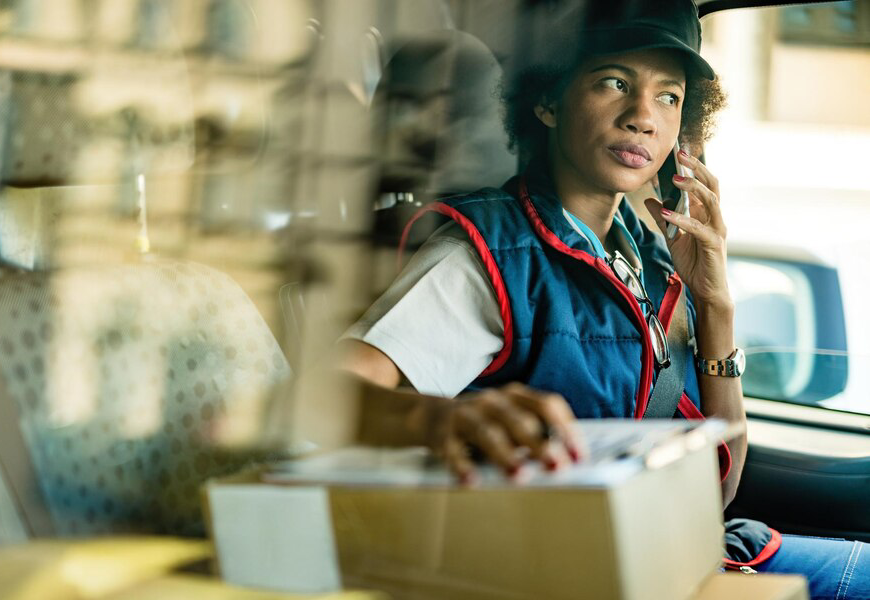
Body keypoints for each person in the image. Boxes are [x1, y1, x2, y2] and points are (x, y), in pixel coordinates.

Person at [337, 1, 869, 597]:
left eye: (669, 97)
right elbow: (328, 394)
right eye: (614, 82)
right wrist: (440, 417)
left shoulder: (648, 255)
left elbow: (720, 481)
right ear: (547, 102)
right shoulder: (487, 255)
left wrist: (715, 305)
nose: (643, 117)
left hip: (684, 548)